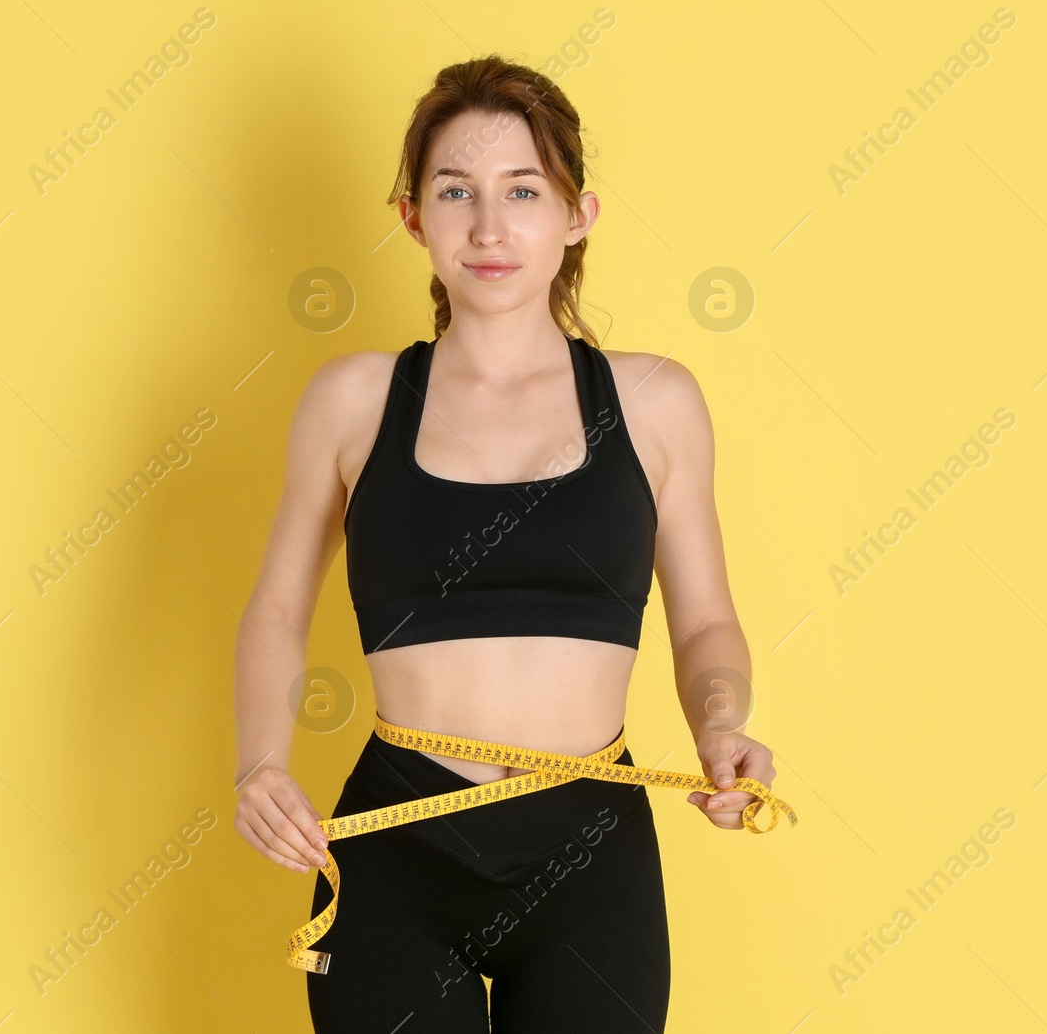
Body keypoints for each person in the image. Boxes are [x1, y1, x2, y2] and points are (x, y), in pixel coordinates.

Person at [232, 54, 779, 1034]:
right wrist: (260, 762)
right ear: (413, 217)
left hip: (591, 849)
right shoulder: (351, 402)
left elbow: (704, 620)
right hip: (397, 850)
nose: (488, 226)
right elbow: (277, 607)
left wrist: (720, 725)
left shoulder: (656, 403)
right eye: (456, 192)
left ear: (577, 213)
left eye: (523, 190)